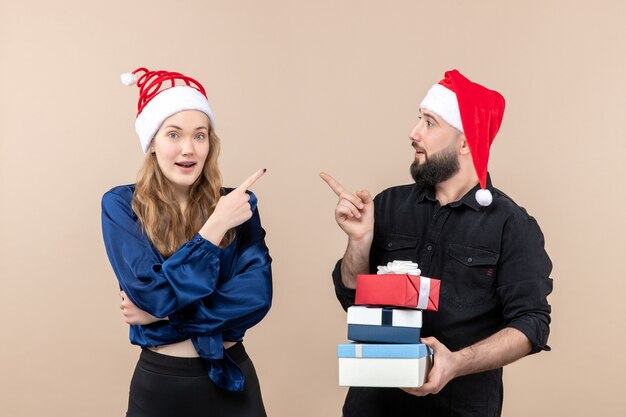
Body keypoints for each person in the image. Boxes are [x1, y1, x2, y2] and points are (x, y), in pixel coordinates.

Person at [321, 69, 552, 417]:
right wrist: (359, 241)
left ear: (464, 141)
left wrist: (456, 363)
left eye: (429, 123)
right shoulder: (386, 206)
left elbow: (532, 323)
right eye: (419, 120)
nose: (414, 134)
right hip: (371, 407)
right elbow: (352, 298)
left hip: (461, 408)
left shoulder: (512, 226)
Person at [101, 67, 272, 417]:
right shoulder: (121, 205)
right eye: (173, 135)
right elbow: (150, 292)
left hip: (232, 383)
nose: (188, 149)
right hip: (161, 387)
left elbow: (256, 298)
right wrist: (214, 229)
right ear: (152, 142)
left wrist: (162, 317)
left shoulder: (238, 203)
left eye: (199, 136)